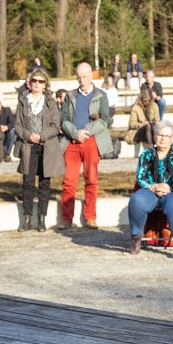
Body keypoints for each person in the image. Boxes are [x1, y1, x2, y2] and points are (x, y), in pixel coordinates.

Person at [125, 123, 173, 258]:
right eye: (160, 135)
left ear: (172, 138)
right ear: (155, 136)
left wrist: (170, 187)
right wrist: (153, 187)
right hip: (151, 190)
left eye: (166, 136)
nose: (163, 139)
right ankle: (136, 238)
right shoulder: (147, 155)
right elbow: (141, 176)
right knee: (137, 200)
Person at [58, 60, 111, 229]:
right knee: (69, 181)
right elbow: (63, 119)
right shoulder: (70, 96)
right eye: (79, 77)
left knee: (91, 180)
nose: (82, 80)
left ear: (91, 76)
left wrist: (86, 131)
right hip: (72, 143)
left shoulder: (101, 95)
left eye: (85, 77)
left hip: (91, 141)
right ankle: (66, 219)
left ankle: (90, 217)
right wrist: (75, 133)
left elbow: (104, 120)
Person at [15, 67, 65, 232]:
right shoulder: (23, 101)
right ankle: (27, 218)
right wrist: (29, 136)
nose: (36, 83)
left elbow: (55, 125)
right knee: (28, 183)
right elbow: (18, 126)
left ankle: (41, 218)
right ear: (29, 83)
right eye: (34, 81)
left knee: (45, 183)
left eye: (40, 81)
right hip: (28, 146)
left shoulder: (50, 102)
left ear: (45, 84)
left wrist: (41, 136)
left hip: (46, 146)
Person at [127, 83, 161, 153]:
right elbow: (132, 124)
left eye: (149, 100)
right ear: (141, 100)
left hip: (152, 129)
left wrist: (155, 123)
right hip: (138, 132)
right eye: (145, 101)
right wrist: (142, 124)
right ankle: (150, 148)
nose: (147, 102)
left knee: (154, 127)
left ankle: (158, 148)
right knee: (147, 126)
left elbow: (158, 120)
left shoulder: (154, 106)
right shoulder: (135, 108)